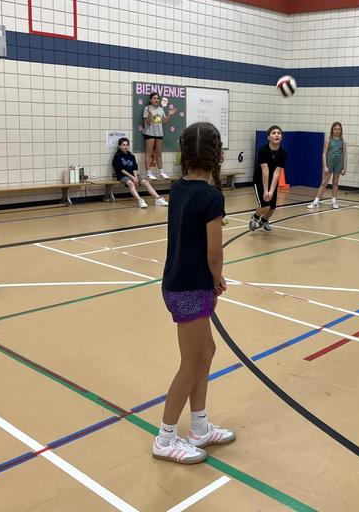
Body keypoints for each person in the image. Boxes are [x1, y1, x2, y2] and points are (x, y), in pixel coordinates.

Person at [153, 122, 234, 465]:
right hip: (190, 287)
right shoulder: (211, 197)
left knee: (207, 351)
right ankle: (165, 437)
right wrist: (218, 278)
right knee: (192, 362)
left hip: (180, 283)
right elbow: (214, 252)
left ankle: (199, 427)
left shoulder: (179, 189)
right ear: (215, 155)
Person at [249, 125, 288, 232]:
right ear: (268, 137)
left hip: (272, 182)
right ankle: (255, 217)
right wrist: (266, 191)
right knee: (265, 205)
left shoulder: (283, 153)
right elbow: (265, 171)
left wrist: (271, 191)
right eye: (274, 133)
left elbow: (277, 173)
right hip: (260, 180)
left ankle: (264, 220)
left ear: (281, 137)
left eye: (279, 133)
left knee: (272, 207)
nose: (276, 135)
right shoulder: (263, 150)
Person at [111, 137, 168, 208]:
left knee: (146, 182)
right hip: (122, 175)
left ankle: (158, 199)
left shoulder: (131, 156)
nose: (125, 147)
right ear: (119, 146)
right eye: (123, 145)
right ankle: (140, 200)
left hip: (133, 174)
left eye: (127, 145)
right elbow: (121, 170)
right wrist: (133, 178)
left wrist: (135, 177)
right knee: (131, 183)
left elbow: (134, 168)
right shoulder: (117, 156)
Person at [308, 121, 347, 209]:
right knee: (324, 182)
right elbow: (324, 154)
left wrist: (344, 167)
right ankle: (316, 201)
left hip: (339, 162)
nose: (337, 131)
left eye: (339, 129)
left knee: (335, 182)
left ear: (341, 130)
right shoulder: (328, 140)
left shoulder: (343, 141)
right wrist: (325, 166)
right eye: (335, 129)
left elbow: (345, 155)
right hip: (329, 162)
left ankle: (334, 201)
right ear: (332, 130)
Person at [142, 93, 176, 179]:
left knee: (159, 153)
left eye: (157, 98)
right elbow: (148, 122)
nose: (156, 100)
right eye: (154, 98)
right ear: (151, 100)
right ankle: (148, 173)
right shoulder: (147, 108)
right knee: (149, 153)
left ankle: (162, 172)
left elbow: (164, 121)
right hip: (149, 133)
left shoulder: (161, 109)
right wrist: (150, 114)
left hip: (159, 133)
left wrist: (170, 115)